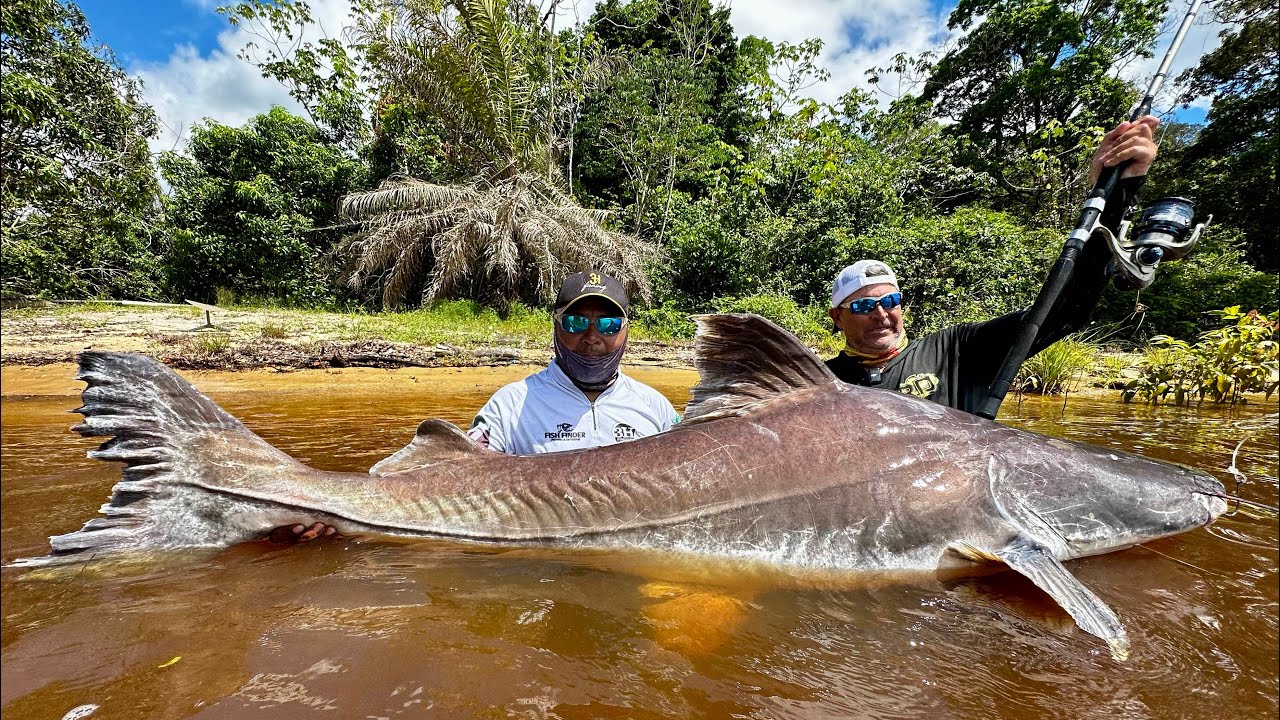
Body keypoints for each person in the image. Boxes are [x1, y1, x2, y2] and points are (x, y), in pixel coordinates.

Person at [825, 116, 1161, 415]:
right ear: (838, 317)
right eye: (865, 305)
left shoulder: (957, 351)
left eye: (890, 301)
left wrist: (1116, 191)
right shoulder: (816, 381)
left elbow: (1066, 311)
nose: (881, 314)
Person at [466, 270, 680, 454]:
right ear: (556, 325)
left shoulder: (656, 409)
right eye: (576, 322)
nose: (591, 336)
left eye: (609, 324)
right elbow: (464, 472)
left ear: (626, 330)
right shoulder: (508, 407)